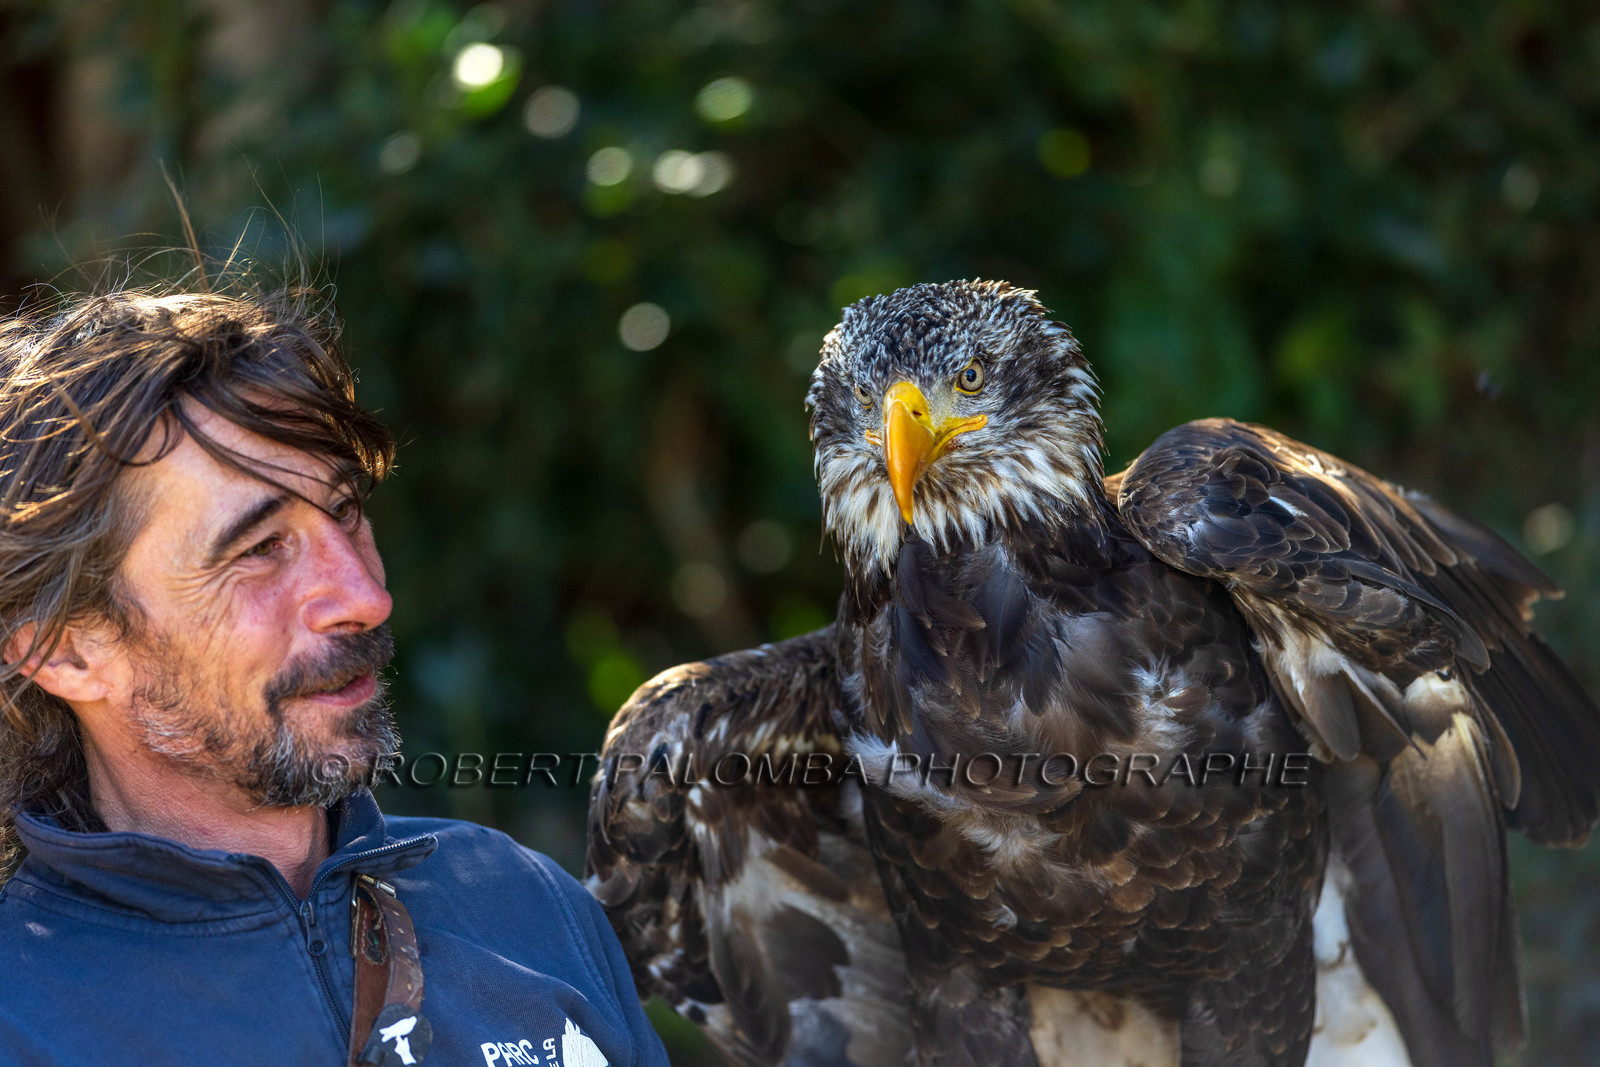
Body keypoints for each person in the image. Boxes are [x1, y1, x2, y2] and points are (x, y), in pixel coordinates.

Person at [0, 278, 670, 1067]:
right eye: (259, 549)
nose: (366, 597)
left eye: (346, 512)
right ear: (68, 653)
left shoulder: (526, 907)